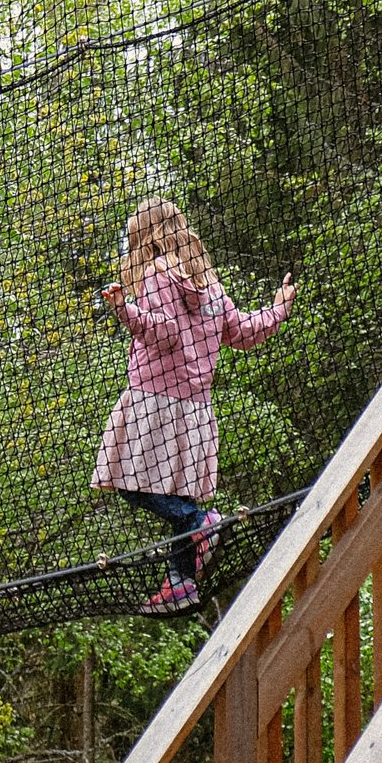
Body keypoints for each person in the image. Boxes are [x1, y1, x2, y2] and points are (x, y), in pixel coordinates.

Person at [95, 197, 296, 614]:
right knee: (168, 494)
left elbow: (163, 333)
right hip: (194, 412)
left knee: (131, 485)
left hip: (155, 402)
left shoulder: (155, 275)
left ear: (146, 242)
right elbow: (242, 331)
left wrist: (123, 309)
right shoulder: (210, 286)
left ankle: (199, 524)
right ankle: (180, 581)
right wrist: (279, 308)